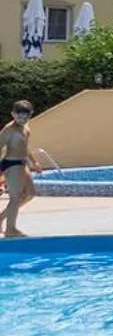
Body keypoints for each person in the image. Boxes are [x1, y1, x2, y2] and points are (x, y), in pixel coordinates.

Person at [0, 100, 43, 239]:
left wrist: (34, 162)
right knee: (15, 197)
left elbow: (25, 146)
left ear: (31, 114)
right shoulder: (8, 130)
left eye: (26, 116)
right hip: (11, 164)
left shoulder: (26, 127)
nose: (23, 119)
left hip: (23, 163)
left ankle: (1, 218)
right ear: (13, 114)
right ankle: (10, 230)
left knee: (29, 194)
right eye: (19, 116)